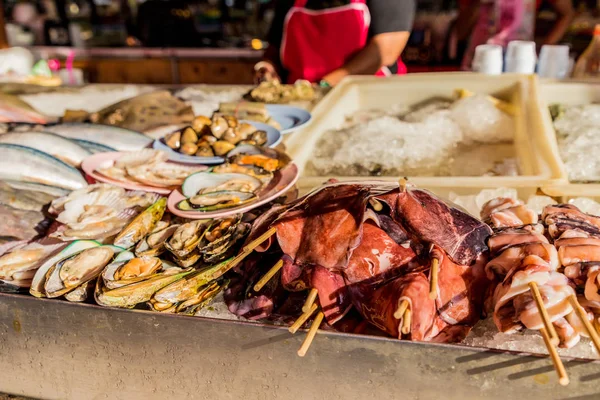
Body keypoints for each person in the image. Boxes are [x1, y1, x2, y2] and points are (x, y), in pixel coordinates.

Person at [255, 0, 415, 86]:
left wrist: (324, 85)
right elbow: (275, 47)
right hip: (299, 106)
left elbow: (387, 49)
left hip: (367, 99)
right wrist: (267, 66)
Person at [458, 0, 574, 70]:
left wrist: (545, 49)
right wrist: (477, 4)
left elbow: (567, 14)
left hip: (521, 60)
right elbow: (460, 33)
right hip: (481, 60)